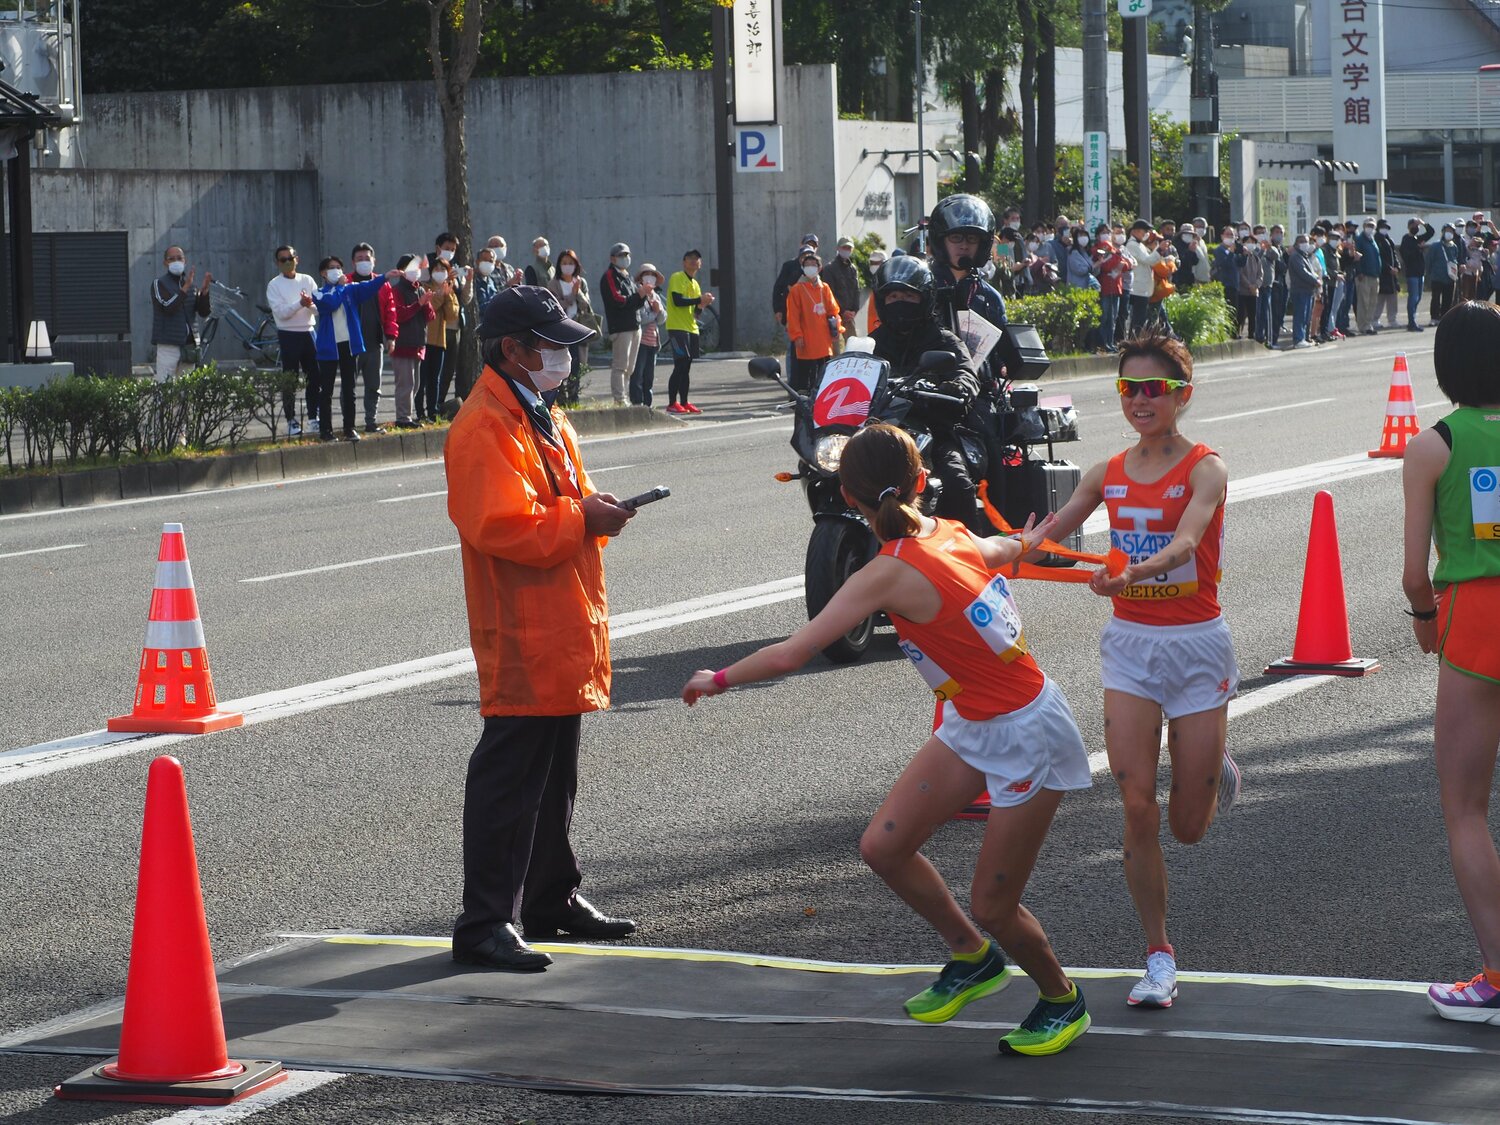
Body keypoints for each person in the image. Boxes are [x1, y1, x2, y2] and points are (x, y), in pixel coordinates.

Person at [681, 422, 1093, 1056]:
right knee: (884, 846)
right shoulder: (946, 532)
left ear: (848, 497)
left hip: (1026, 731)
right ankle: (972, 958)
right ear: (923, 481)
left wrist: (719, 677)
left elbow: (794, 653)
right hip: (973, 721)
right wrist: (1026, 541)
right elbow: (998, 552)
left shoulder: (890, 573)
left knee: (994, 903)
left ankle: (1062, 1000)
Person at [1035, 332, 1239, 1010]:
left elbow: (1187, 538)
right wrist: (993, 551)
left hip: (1196, 647)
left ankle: (1216, 767)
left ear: (1183, 392)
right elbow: (1050, 533)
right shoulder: (1107, 471)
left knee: (1189, 825)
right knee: (1136, 805)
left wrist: (1137, 570)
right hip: (1130, 648)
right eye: (1129, 388)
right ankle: (1158, 953)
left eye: (1154, 388)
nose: (1141, 400)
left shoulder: (1205, 468)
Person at [445, 285, 638, 974]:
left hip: (560, 618)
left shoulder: (539, 414)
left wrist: (594, 511)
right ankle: (485, 919)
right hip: (523, 625)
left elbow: (562, 506)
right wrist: (585, 518)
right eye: (550, 344)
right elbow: (503, 526)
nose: (563, 355)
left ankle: (551, 897)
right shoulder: (484, 424)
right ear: (512, 350)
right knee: (510, 776)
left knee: (555, 774)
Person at [1399, 301, 1500, 1025]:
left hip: (1475, 616)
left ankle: (1497, 973)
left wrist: (1427, 623)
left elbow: (1413, 572)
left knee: (1465, 806)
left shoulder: (1432, 445)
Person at [868, 256, 980, 526]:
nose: (899, 303)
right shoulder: (871, 343)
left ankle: (969, 560)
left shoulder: (943, 339)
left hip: (932, 430)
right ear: (882, 302)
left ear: (925, 298)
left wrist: (954, 387)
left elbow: (966, 374)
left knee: (957, 482)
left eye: (908, 295)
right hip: (878, 431)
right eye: (893, 296)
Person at [311, 255, 396, 441]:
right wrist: (340, 286)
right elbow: (331, 303)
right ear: (323, 273)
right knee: (326, 390)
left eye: (339, 267)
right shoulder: (318, 293)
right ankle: (326, 431)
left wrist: (385, 276)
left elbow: (368, 287)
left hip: (349, 346)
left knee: (350, 389)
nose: (337, 270)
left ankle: (349, 428)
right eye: (332, 268)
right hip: (329, 347)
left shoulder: (351, 290)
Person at [928, 194, 1007, 332]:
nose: (964, 245)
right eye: (955, 238)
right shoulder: (923, 290)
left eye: (972, 238)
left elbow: (1004, 349)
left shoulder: (991, 298)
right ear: (941, 241)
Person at [267, 245, 321, 436]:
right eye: (283, 260)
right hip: (288, 334)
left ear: (297, 258)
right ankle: (291, 420)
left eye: (290, 258)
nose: (287, 262)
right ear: (277, 263)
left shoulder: (307, 279)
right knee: (290, 378)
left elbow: (318, 308)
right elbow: (281, 314)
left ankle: (314, 417)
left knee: (314, 377)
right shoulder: (274, 285)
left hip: (308, 332)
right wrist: (300, 303)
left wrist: (310, 304)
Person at [350, 243, 396, 434]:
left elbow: (390, 311)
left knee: (373, 385)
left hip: (374, 342)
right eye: (359, 259)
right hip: (351, 344)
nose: (363, 262)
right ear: (353, 262)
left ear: (374, 261)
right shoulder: (346, 282)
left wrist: (391, 337)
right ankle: (349, 424)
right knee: (349, 386)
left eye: (367, 258)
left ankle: (371, 421)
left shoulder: (382, 283)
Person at [785, 248, 842, 394]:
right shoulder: (797, 290)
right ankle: (804, 400)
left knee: (823, 372)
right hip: (806, 339)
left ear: (819, 268)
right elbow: (793, 315)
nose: (810, 267)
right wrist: (797, 335)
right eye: (807, 264)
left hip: (824, 340)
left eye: (813, 264)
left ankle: (821, 398)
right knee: (805, 374)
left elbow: (833, 310)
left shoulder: (825, 288)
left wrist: (837, 328)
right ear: (803, 268)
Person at [150, 246, 211, 383]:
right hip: (168, 345)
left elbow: (203, 312)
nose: (176, 261)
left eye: (179, 258)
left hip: (189, 346)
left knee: (186, 391)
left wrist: (205, 293)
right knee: (164, 387)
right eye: (171, 259)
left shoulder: (190, 285)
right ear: (165, 263)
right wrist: (184, 288)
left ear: (185, 261)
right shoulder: (159, 284)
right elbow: (167, 307)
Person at [665, 249, 714, 414]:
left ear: (700, 264)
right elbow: (677, 301)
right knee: (680, 363)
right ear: (684, 262)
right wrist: (699, 300)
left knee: (686, 366)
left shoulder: (695, 284)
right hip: (677, 327)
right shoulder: (677, 277)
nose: (694, 261)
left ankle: (684, 402)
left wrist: (702, 304)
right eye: (690, 258)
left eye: (697, 259)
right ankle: (672, 403)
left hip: (691, 328)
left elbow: (695, 312)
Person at [390, 253, 435, 429]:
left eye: (417, 268)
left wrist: (426, 303)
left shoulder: (420, 289)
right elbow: (399, 315)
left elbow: (430, 316)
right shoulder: (396, 291)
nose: (416, 272)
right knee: (405, 383)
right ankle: (403, 418)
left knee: (415, 384)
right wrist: (419, 304)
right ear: (402, 271)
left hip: (417, 343)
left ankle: (407, 415)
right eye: (412, 268)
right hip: (402, 343)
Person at [599, 242, 644, 407]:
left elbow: (635, 303)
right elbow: (617, 300)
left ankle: (625, 397)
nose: (625, 259)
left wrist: (642, 295)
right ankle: (620, 398)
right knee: (620, 365)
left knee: (630, 366)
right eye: (621, 256)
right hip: (621, 327)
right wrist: (637, 296)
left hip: (634, 325)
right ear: (613, 258)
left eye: (627, 255)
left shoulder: (628, 276)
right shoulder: (610, 276)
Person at [549, 249, 594, 406]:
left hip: (577, 327)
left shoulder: (581, 282)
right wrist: (571, 296)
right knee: (560, 364)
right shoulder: (553, 283)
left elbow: (586, 306)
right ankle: (561, 398)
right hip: (561, 329)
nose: (567, 266)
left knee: (576, 363)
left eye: (571, 263)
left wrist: (578, 292)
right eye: (564, 263)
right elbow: (555, 306)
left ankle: (574, 397)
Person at [417, 258, 460, 423]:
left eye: (444, 269)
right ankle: (420, 411)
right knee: (422, 379)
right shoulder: (424, 287)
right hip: (424, 338)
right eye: (437, 269)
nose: (440, 272)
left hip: (439, 340)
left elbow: (452, 315)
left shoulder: (450, 290)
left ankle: (432, 412)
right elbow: (430, 307)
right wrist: (441, 296)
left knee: (435, 379)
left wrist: (447, 296)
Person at [630, 263, 667, 407]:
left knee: (649, 376)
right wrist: (655, 312)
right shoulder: (639, 294)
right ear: (640, 278)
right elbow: (641, 318)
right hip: (641, 341)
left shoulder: (655, 296)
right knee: (637, 374)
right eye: (647, 275)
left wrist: (658, 311)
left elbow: (663, 318)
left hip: (653, 342)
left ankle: (648, 403)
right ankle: (637, 402)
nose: (650, 278)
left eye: (652, 275)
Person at [1124, 222, 1164, 338]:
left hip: (1142, 288)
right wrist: (1159, 249)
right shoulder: (1132, 245)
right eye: (1144, 231)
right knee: (1137, 319)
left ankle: (1135, 339)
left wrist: (1159, 250)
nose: (1146, 234)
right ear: (1134, 231)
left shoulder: (1140, 245)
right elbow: (1148, 260)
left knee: (1140, 318)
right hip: (1137, 288)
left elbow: (1151, 260)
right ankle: (1133, 341)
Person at [1094, 232, 1131, 354]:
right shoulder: (1101, 251)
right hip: (1106, 288)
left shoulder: (1117, 252)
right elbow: (1106, 266)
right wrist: (1118, 261)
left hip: (1116, 288)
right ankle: (1103, 343)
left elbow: (1127, 264)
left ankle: (1109, 342)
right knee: (1105, 317)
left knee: (1113, 317)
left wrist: (1120, 262)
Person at [1287, 233, 1321, 349]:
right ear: (1296, 243)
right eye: (1302, 241)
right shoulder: (1296, 256)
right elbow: (1302, 272)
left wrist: (1316, 278)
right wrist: (1315, 280)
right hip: (1300, 290)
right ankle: (1298, 339)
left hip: (1308, 290)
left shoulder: (1304, 255)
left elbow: (1311, 271)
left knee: (1306, 316)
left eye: (1306, 241)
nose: (1305, 244)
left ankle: (1304, 338)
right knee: (1300, 316)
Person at [1401, 218, 1436, 332]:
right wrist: (1418, 248)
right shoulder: (1406, 239)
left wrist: (1423, 223)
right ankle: (1411, 322)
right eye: (1415, 226)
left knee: (1418, 297)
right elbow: (1406, 255)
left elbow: (1431, 232)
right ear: (1410, 226)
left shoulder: (1418, 238)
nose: (1417, 228)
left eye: (1418, 226)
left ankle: (1413, 319)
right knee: (1413, 297)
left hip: (1420, 272)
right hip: (1412, 273)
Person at [1427, 224, 1461, 324]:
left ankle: (1444, 318)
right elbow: (1429, 261)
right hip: (1437, 277)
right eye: (1447, 231)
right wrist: (1429, 274)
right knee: (1436, 298)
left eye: (1451, 231)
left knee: (1448, 299)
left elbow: (1456, 259)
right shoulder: (1435, 246)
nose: (1449, 233)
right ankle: (1434, 318)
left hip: (1450, 277)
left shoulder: (1454, 246)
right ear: (1442, 232)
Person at [1233, 233, 1264, 341]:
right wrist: (1249, 285)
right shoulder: (1240, 257)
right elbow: (1240, 273)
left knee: (1253, 314)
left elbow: (1260, 274)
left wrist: (1256, 285)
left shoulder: (1256, 258)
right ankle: (1238, 333)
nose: (1250, 244)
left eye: (1253, 242)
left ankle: (1252, 334)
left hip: (1254, 291)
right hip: (1242, 291)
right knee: (1240, 314)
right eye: (1248, 242)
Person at [1375, 220, 1401, 329]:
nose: (1385, 229)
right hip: (1383, 274)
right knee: (1380, 298)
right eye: (1383, 227)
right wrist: (1388, 268)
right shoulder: (1376, 239)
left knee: (1392, 298)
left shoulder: (1389, 240)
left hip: (1392, 276)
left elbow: (1394, 256)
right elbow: (1378, 257)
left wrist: (1397, 267)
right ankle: (1374, 319)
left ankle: (1392, 319)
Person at [473, 247, 501, 318]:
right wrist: (494, 304)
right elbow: (473, 308)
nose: (488, 263)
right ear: (477, 261)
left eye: (491, 261)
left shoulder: (491, 281)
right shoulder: (471, 280)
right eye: (485, 260)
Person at [864, 248, 887, 334]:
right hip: (873, 331)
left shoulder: (887, 282)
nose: (874, 265)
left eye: (877, 263)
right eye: (872, 263)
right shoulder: (875, 282)